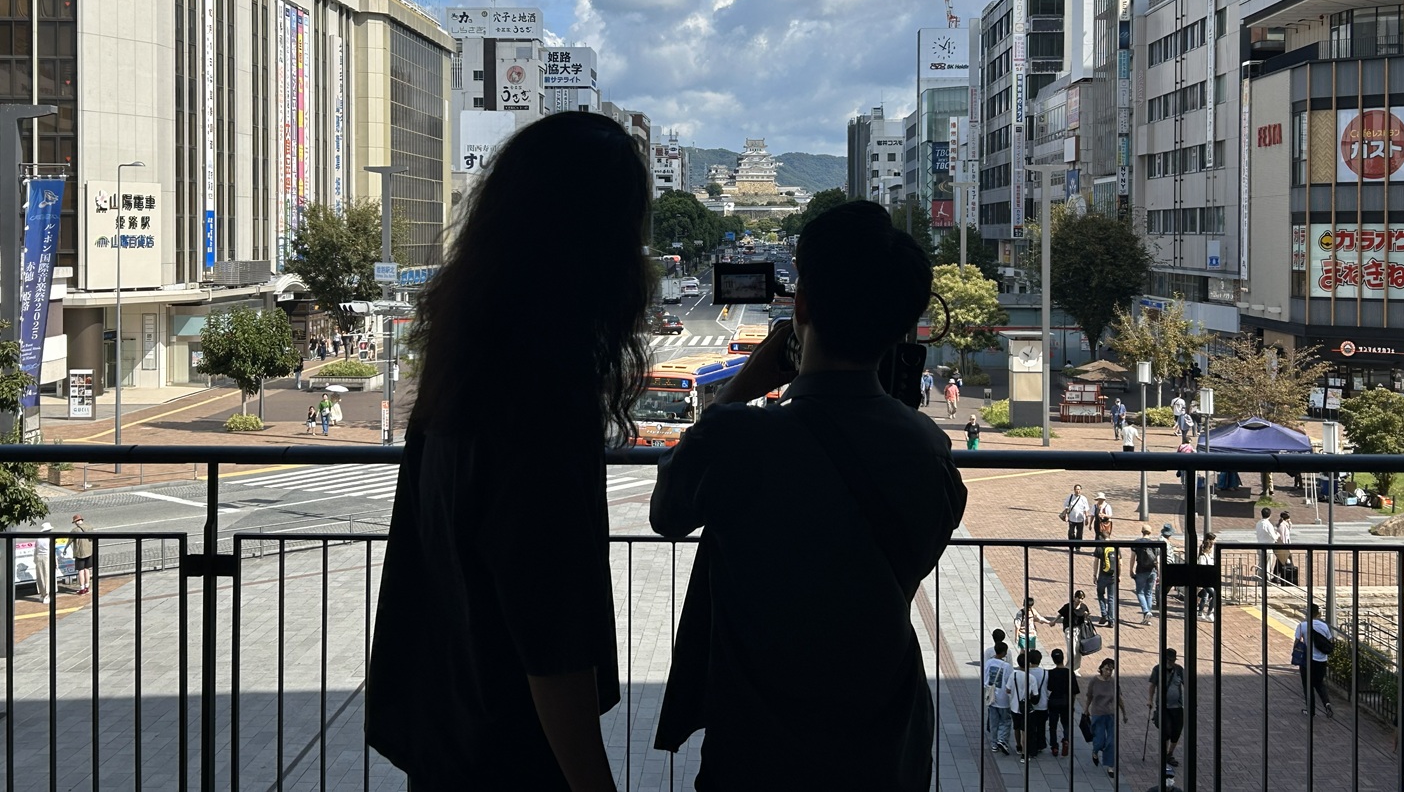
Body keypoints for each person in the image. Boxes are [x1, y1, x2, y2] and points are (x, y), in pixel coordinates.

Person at [366, 111, 655, 790]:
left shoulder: (466, 367)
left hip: (448, 737)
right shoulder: (542, 398)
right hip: (511, 752)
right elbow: (549, 630)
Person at [648, 200, 968, 791]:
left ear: (800, 307)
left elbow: (666, 514)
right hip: (886, 741)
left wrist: (739, 388)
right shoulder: (927, 448)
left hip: (756, 744)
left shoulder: (736, 438)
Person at [1084, 656, 1126, 777]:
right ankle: (1095, 751)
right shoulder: (1094, 681)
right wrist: (1086, 709)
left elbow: (1119, 698)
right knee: (1099, 740)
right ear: (1101, 668)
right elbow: (1089, 696)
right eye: (1107, 669)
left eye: (1111, 670)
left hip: (1111, 714)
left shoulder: (1113, 682)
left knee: (1111, 742)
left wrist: (1124, 713)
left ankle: (1110, 766)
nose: (1109, 672)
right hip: (1098, 714)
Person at [1293, 602, 1335, 718]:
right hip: (1322, 660)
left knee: (1308, 685)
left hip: (1308, 660)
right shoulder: (1324, 626)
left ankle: (1311, 711)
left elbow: (1297, 642)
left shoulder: (1302, 626)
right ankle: (1327, 704)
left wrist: (1296, 654)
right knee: (1319, 683)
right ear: (1318, 614)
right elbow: (1329, 640)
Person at [1148, 647, 1186, 770]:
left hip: (1177, 706)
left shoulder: (1179, 670)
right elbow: (1152, 685)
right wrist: (1150, 700)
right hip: (1163, 706)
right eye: (1169, 660)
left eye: (1172, 660)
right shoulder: (1157, 669)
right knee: (1166, 731)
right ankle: (1164, 755)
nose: (1171, 662)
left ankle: (1170, 754)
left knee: (1177, 731)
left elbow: (1186, 684)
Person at [1046, 647, 1079, 758]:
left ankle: (1054, 746)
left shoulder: (1051, 673)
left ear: (1053, 659)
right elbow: (1074, 691)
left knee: (1053, 726)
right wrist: (1072, 704)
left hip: (1054, 701)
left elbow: (1049, 688)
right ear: (1063, 658)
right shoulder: (1069, 673)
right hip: (1066, 702)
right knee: (1066, 724)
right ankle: (1066, 740)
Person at [983, 641, 1013, 756]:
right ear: (1004, 652)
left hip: (991, 697)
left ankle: (994, 744)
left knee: (993, 722)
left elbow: (985, 678)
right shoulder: (1007, 666)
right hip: (1003, 698)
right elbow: (1009, 682)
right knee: (1005, 721)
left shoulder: (989, 662)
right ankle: (1002, 739)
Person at [1053, 590, 1093, 676]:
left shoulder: (1083, 607)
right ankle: (1068, 668)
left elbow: (1085, 616)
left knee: (1078, 651)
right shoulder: (1068, 606)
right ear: (1074, 598)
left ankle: (1075, 669)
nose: (1080, 600)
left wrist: (1086, 616)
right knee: (1072, 650)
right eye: (1079, 598)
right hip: (1069, 630)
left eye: (1082, 598)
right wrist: (1054, 621)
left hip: (1079, 630)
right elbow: (1060, 614)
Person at [1022, 648, 1049, 759]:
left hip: (1030, 705)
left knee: (1031, 727)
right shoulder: (1046, 673)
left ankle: (1032, 748)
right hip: (1043, 704)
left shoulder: (1026, 673)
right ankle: (1040, 744)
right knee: (1041, 726)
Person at [1131, 524, 1160, 625]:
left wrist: (1131, 570)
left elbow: (1133, 558)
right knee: (1149, 593)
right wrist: (1159, 573)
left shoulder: (1137, 543)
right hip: (1152, 571)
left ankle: (1146, 611)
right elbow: (1157, 561)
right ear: (1150, 532)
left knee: (1140, 592)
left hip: (1141, 570)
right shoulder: (1154, 544)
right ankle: (1148, 617)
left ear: (1142, 531)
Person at [1094, 540, 1120, 626]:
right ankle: (1111, 620)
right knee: (1111, 598)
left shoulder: (1100, 547)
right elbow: (1120, 562)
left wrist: (1094, 575)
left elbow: (1096, 562)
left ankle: (1104, 614)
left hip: (1102, 575)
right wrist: (1118, 575)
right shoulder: (1115, 546)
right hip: (1113, 575)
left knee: (1100, 594)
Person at [1194, 532, 1217, 622]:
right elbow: (1202, 569)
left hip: (1208, 579)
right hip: (1204, 580)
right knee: (1214, 594)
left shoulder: (1209, 555)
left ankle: (1200, 613)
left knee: (1205, 596)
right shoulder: (1203, 556)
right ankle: (1209, 612)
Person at [70, 514, 93, 595]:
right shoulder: (89, 528)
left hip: (80, 553)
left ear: (76, 522)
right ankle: (87, 587)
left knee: (81, 571)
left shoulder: (74, 530)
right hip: (89, 551)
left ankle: (82, 588)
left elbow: (70, 540)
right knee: (87, 569)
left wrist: (65, 548)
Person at [1255, 507, 1280, 579]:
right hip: (1268, 547)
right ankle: (1267, 579)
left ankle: (1260, 578)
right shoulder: (1268, 524)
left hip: (1259, 545)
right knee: (1268, 564)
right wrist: (1278, 535)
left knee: (1261, 563)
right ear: (1270, 515)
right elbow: (1274, 537)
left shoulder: (1258, 523)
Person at [33, 521, 52, 605]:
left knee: (40, 576)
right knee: (47, 576)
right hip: (47, 557)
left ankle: (42, 594)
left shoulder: (38, 539)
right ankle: (46, 595)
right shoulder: (49, 539)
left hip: (38, 557)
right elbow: (52, 550)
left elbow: (35, 549)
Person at [1274, 510, 1294, 574]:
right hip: (1284, 545)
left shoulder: (1286, 524)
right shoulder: (1282, 525)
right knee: (1283, 560)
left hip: (1286, 544)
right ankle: (1286, 573)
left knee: (1281, 560)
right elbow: (1282, 536)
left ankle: (1277, 573)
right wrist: (1284, 546)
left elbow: (1288, 531)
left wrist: (1290, 524)